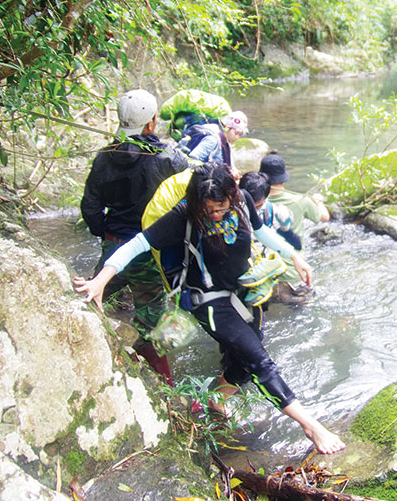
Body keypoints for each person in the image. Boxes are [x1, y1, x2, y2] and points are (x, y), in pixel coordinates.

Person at [74, 162, 346, 455]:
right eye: (209, 210)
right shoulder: (183, 215)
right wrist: (102, 279)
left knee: (242, 363)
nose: (215, 214)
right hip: (210, 302)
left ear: (232, 195)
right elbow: (138, 243)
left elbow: (261, 230)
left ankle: (216, 400)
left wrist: (294, 255)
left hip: (244, 292)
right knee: (259, 360)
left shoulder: (241, 201)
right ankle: (310, 426)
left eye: (221, 207)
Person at [79, 89, 188, 381]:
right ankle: (163, 385)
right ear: (152, 123)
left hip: (113, 246)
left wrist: (104, 231)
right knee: (152, 319)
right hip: (149, 249)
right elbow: (188, 195)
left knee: (95, 297)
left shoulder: (104, 157)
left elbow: (89, 206)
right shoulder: (169, 158)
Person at [260, 152, 330, 239]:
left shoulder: (254, 200)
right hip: (294, 251)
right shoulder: (300, 200)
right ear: (284, 175)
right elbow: (325, 217)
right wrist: (318, 202)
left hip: (264, 250)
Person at [239, 171, 301, 250]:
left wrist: (285, 227)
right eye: (249, 206)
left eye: (257, 206)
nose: (253, 211)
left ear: (266, 198)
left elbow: (297, 244)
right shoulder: (228, 211)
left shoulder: (271, 211)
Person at [186, 110, 248, 175]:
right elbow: (192, 159)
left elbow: (230, 165)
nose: (237, 137)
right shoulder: (212, 140)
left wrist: (234, 171)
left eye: (240, 135)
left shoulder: (226, 143)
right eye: (236, 133)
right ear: (227, 128)